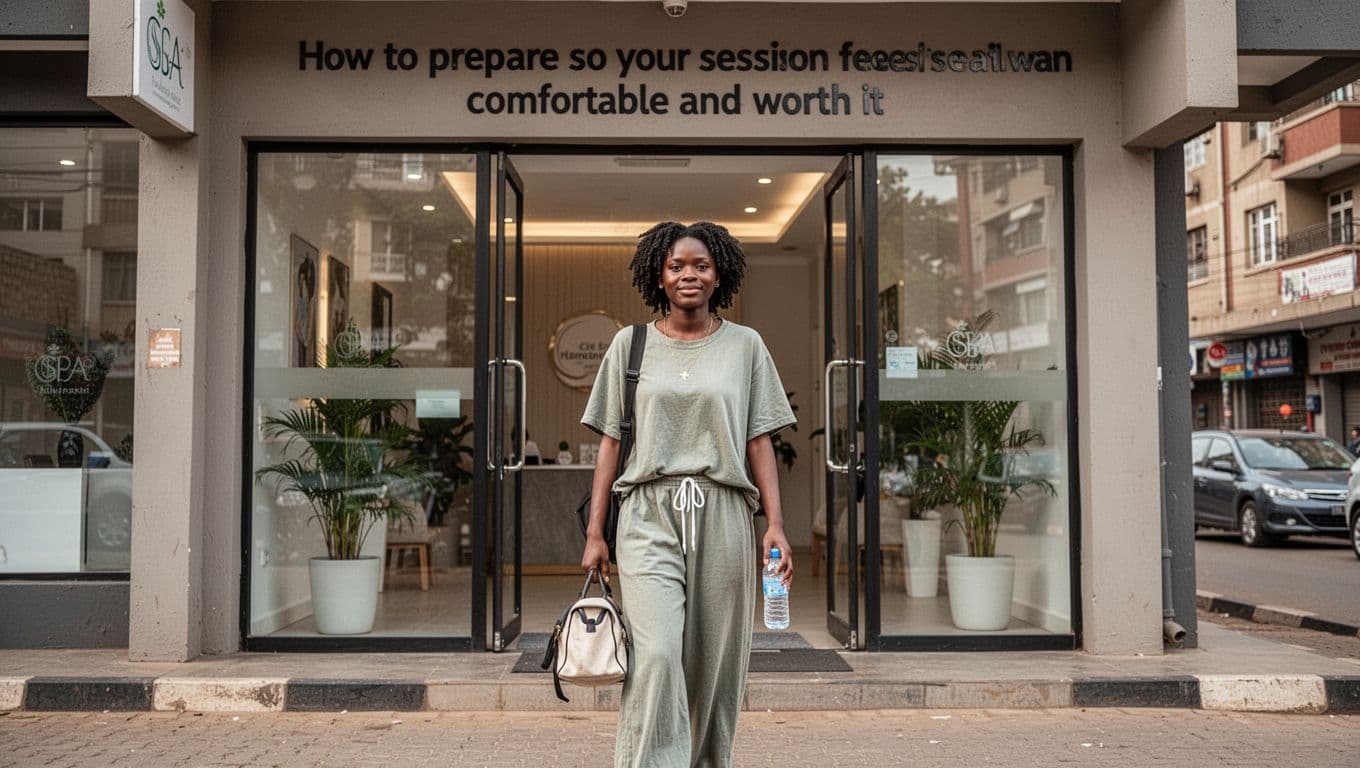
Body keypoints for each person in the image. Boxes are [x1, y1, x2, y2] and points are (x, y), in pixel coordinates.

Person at [580, 221, 796, 768]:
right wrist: (593, 534)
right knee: (655, 655)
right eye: (677, 266)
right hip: (648, 513)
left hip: (723, 512)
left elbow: (760, 439)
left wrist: (775, 523)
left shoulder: (746, 346)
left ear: (719, 272)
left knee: (714, 665)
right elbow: (609, 443)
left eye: (700, 265)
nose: (689, 275)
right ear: (659, 275)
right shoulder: (629, 346)